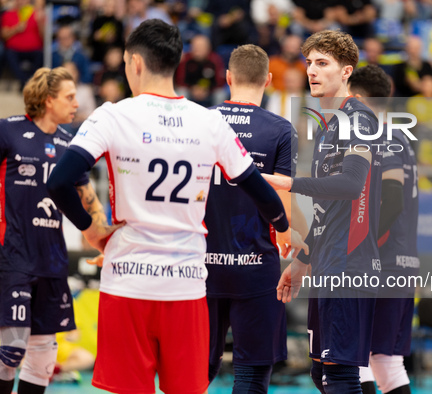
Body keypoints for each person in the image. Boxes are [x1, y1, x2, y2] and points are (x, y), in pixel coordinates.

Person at [46, 19, 299, 394]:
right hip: (186, 285)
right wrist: (281, 226)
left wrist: (91, 228)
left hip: (128, 279)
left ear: (134, 63)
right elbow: (262, 191)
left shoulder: (112, 115)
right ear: (178, 63)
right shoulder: (206, 122)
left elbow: (59, 181)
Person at [264, 30, 383, 394]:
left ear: (346, 71)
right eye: (309, 63)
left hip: (352, 263)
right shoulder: (328, 127)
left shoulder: (359, 120)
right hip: (329, 261)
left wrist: (290, 184)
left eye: (322, 63)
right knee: (322, 373)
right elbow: (325, 210)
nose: (311, 71)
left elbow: (350, 186)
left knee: (340, 375)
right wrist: (303, 260)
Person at [205, 44, 308, 393]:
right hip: (256, 264)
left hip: (199, 263)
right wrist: (306, 240)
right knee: (251, 372)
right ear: (268, 79)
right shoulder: (280, 130)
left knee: (196, 368)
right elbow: (282, 197)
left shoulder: (200, 121)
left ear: (228, 77)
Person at [0, 67, 106, 394]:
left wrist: (105, 237)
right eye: (70, 97)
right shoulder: (8, 131)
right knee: (11, 348)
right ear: (49, 100)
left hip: (53, 261)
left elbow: (86, 196)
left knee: (44, 357)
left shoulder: (69, 142)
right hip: (13, 255)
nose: (77, 104)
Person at [349, 65, 418, 394]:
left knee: (359, 357)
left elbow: (391, 201)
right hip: (402, 261)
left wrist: (365, 246)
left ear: (358, 97)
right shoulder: (399, 136)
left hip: (383, 261)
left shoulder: (381, 136)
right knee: (386, 361)